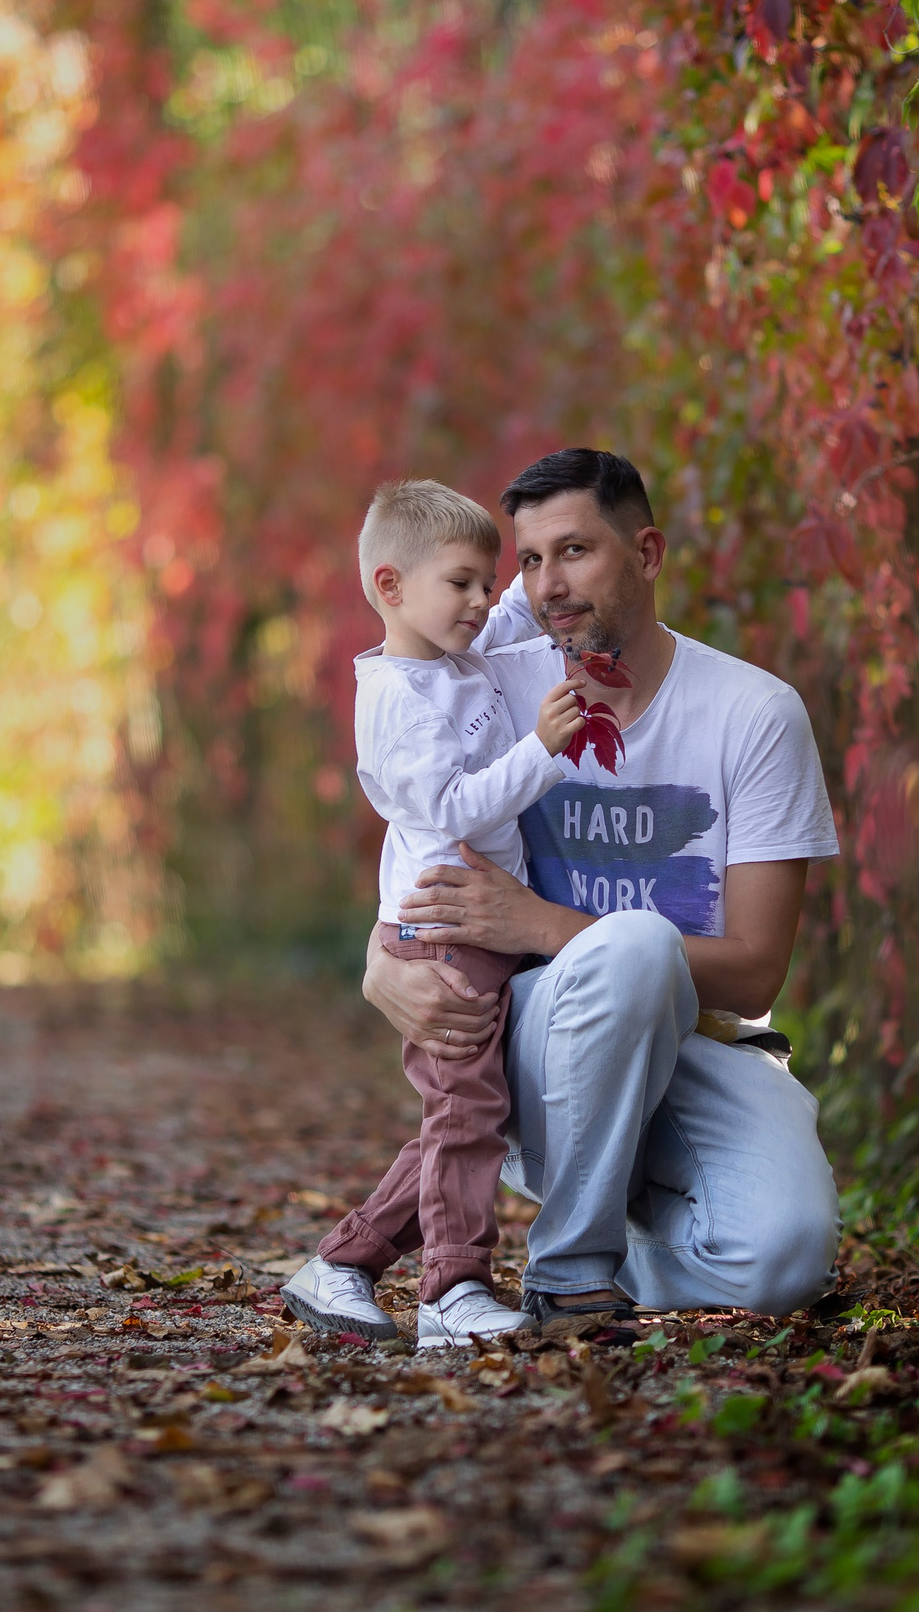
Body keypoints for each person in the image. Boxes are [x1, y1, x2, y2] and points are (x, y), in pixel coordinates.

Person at [362, 448, 842, 1337]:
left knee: (785, 1258)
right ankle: (567, 1274)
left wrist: (543, 923)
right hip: (544, 1041)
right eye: (532, 560)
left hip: (704, 1045)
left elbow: (755, 975)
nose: (548, 585)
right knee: (629, 945)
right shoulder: (498, 682)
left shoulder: (753, 714)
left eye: (576, 551)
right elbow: (422, 817)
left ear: (648, 554)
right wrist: (376, 959)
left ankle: (619, 1254)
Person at [280, 480, 590, 1352]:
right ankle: (451, 1290)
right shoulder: (395, 702)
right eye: (461, 582)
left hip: (482, 923)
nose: (482, 599)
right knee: (465, 1112)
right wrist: (540, 751)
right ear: (390, 588)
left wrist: (554, 571)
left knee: (471, 1109)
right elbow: (453, 807)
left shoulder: (459, 659)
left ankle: (342, 1265)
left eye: (487, 580)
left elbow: (520, 618)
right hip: (445, 929)